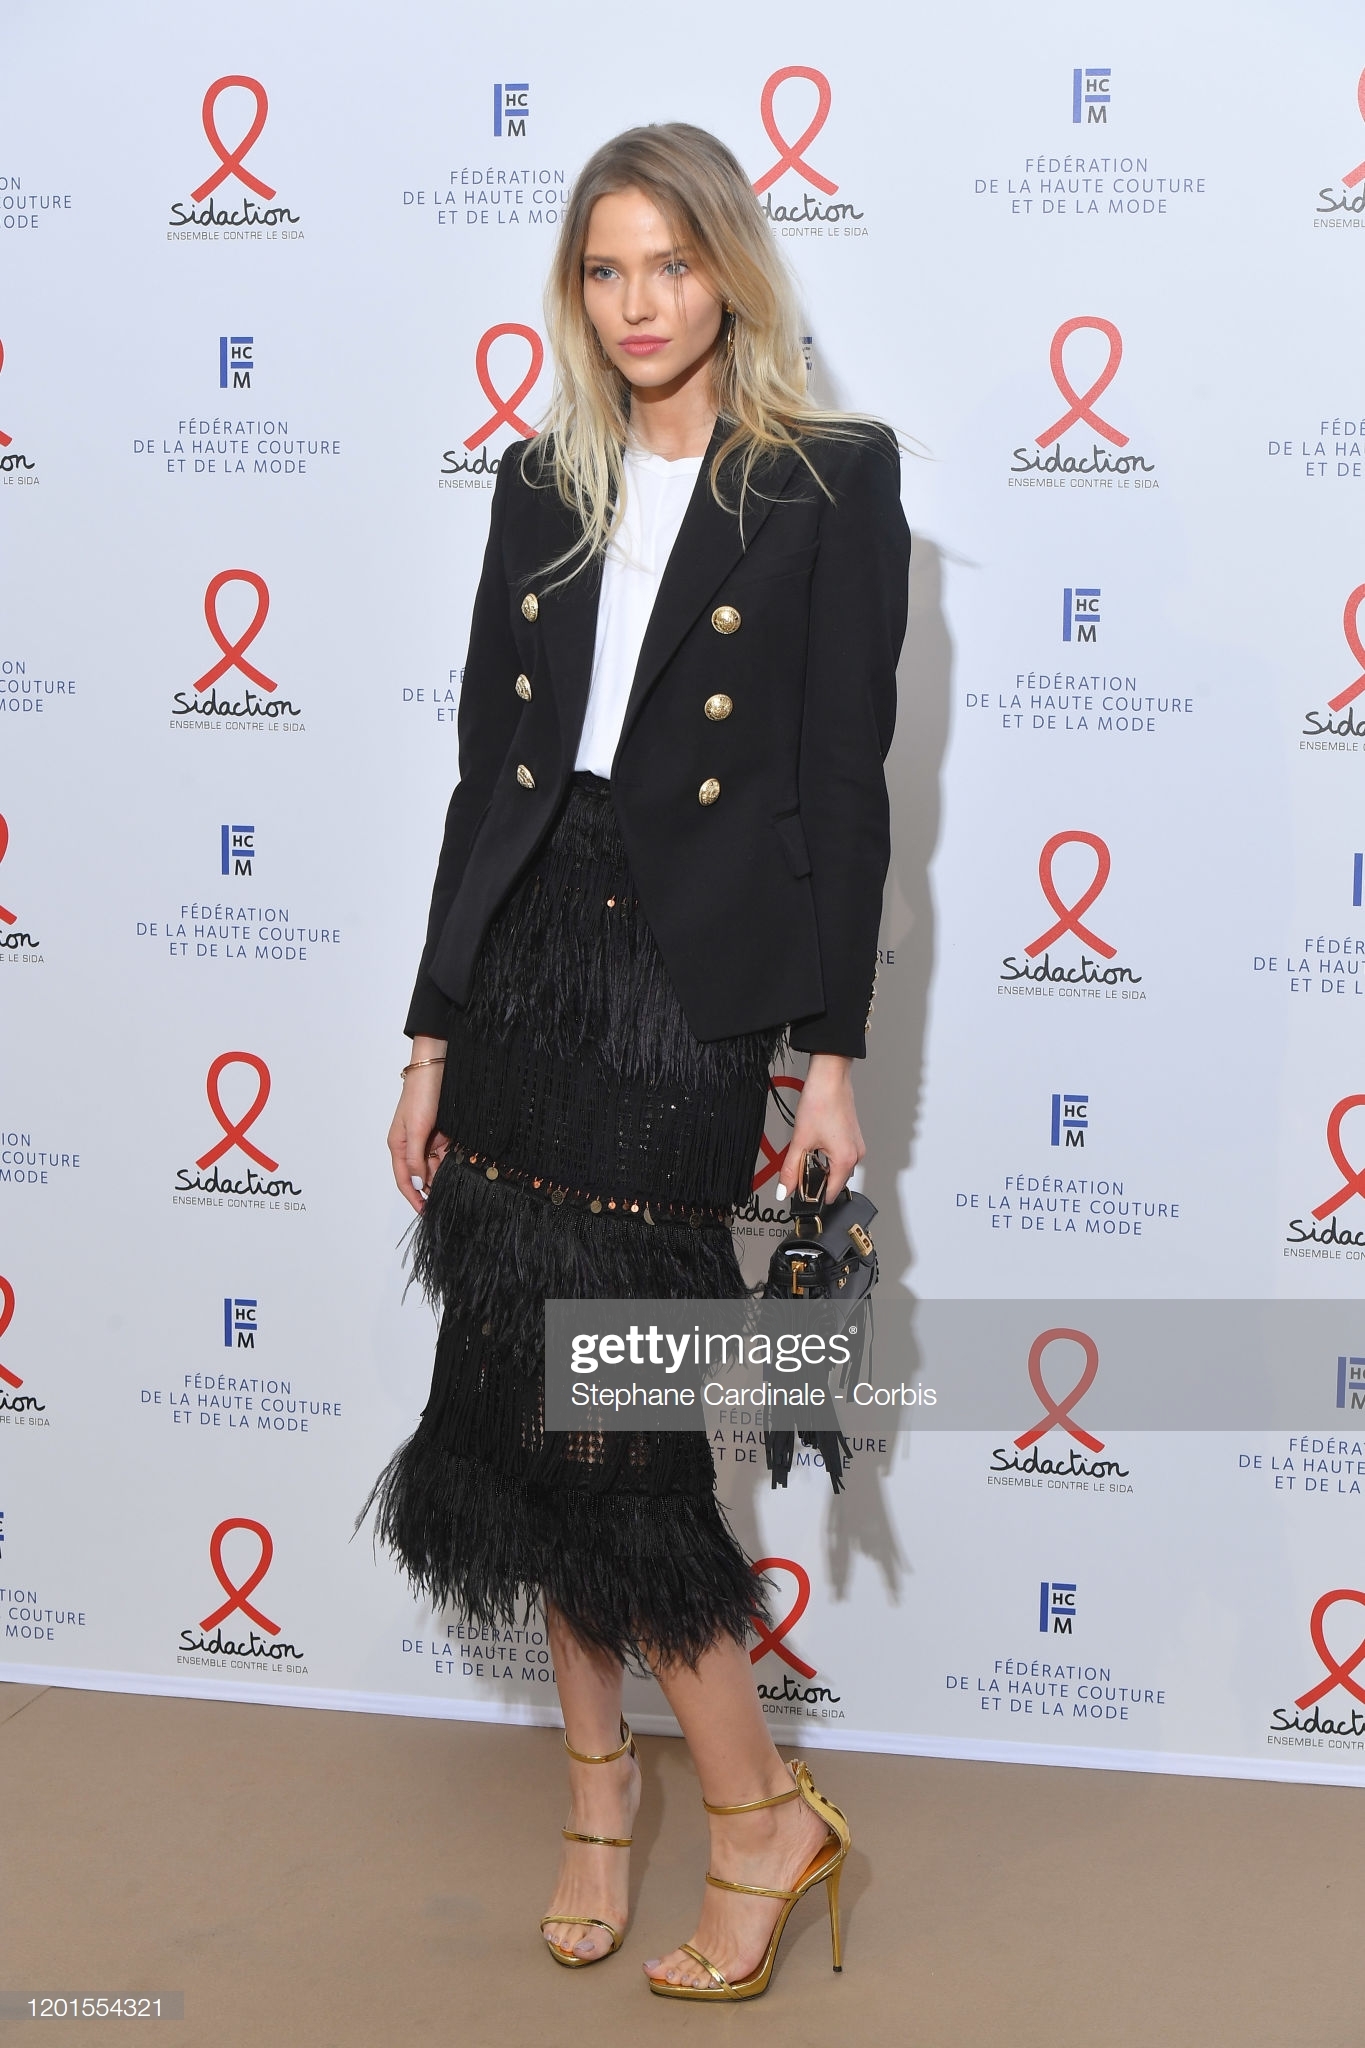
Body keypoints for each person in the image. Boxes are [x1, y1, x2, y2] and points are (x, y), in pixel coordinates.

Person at [368, 120, 910, 2002]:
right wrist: (430, 1032)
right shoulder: (542, 478)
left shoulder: (831, 477)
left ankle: (756, 1818)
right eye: (603, 270)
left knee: (617, 1418)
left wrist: (826, 1058)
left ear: (729, 270)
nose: (637, 303)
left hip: (691, 983)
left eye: (668, 264)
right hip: (528, 959)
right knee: (512, 1407)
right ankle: (599, 1797)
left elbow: (843, 788)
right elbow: (484, 777)